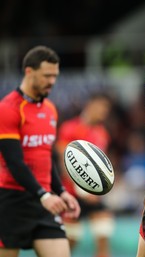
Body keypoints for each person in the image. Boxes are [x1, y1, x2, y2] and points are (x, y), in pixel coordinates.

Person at [0, 45, 80, 257]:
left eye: (55, 76)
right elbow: (14, 162)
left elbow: (46, 158)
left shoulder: (50, 109)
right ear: (29, 72)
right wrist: (43, 195)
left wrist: (61, 191)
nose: (52, 81)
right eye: (46, 76)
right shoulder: (8, 109)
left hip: (44, 202)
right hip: (11, 201)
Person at [56, 92, 115, 257]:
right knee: (70, 242)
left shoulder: (102, 132)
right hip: (71, 195)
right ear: (90, 105)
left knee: (103, 235)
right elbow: (63, 162)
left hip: (94, 195)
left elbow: (103, 167)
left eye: (107, 109)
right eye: (102, 107)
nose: (104, 112)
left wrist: (100, 189)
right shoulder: (69, 128)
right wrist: (82, 190)